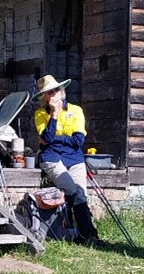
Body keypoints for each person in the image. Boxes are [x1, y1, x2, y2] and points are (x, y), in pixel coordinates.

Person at [31, 74, 100, 245]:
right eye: (49, 92)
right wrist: (54, 115)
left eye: (56, 90)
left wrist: (54, 138)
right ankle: (73, 230)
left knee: (81, 195)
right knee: (71, 190)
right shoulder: (40, 114)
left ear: (62, 91)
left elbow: (78, 141)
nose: (54, 94)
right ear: (44, 97)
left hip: (74, 156)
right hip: (51, 156)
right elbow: (46, 137)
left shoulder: (76, 110)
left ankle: (89, 235)